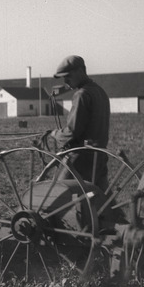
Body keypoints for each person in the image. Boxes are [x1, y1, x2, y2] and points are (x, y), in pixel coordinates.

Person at [48, 55, 111, 190]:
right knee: (101, 201)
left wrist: (55, 134)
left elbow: (72, 131)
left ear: (81, 71)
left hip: (80, 159)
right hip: (99, 157)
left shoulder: (82, 95)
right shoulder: (100, 91)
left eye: (68, 76)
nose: (66, 81)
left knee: (57, 196)